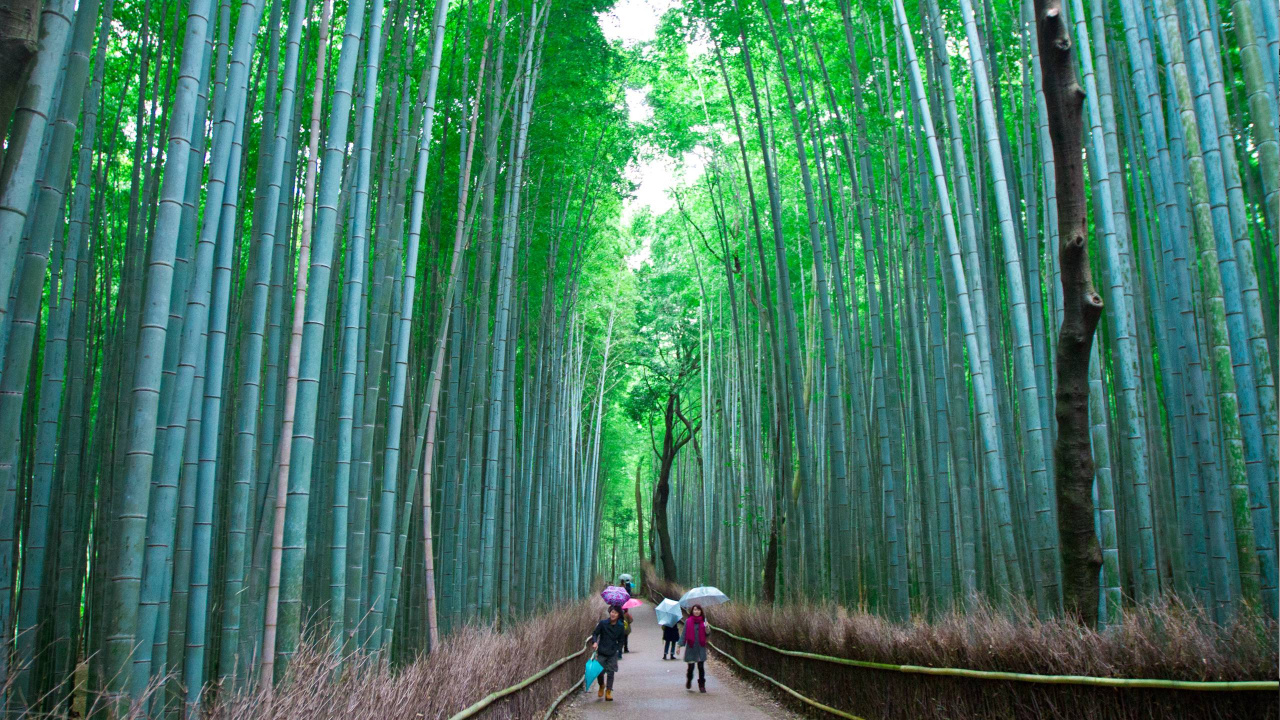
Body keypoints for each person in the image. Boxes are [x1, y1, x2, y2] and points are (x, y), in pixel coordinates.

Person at [588, 605, 627, 701]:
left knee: (611, 672)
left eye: (615, 613)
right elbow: (595, 633)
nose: (613, 614)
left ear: (619, 615)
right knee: (599, 672)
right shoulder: (603, 623)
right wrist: (595, 642)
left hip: (613, 651)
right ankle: (601, 685)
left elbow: (622, 640)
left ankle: (609, 691)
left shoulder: (620, 626)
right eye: (612, 612)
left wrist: (618, 649)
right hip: (602, 650)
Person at [682, 604, 710, 692]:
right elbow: (684, 634)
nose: (696, 611)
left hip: (700, 647)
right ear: (692, 611)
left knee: (701, 667)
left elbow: (708, 634)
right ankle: (689, 679)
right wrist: (679, 645)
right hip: (691, 648)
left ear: (701, 611)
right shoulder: (688, 621)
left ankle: (702, 685)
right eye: (695, 610)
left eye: (698, 610)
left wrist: (707, 628)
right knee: (691, 668)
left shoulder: (704, 622)